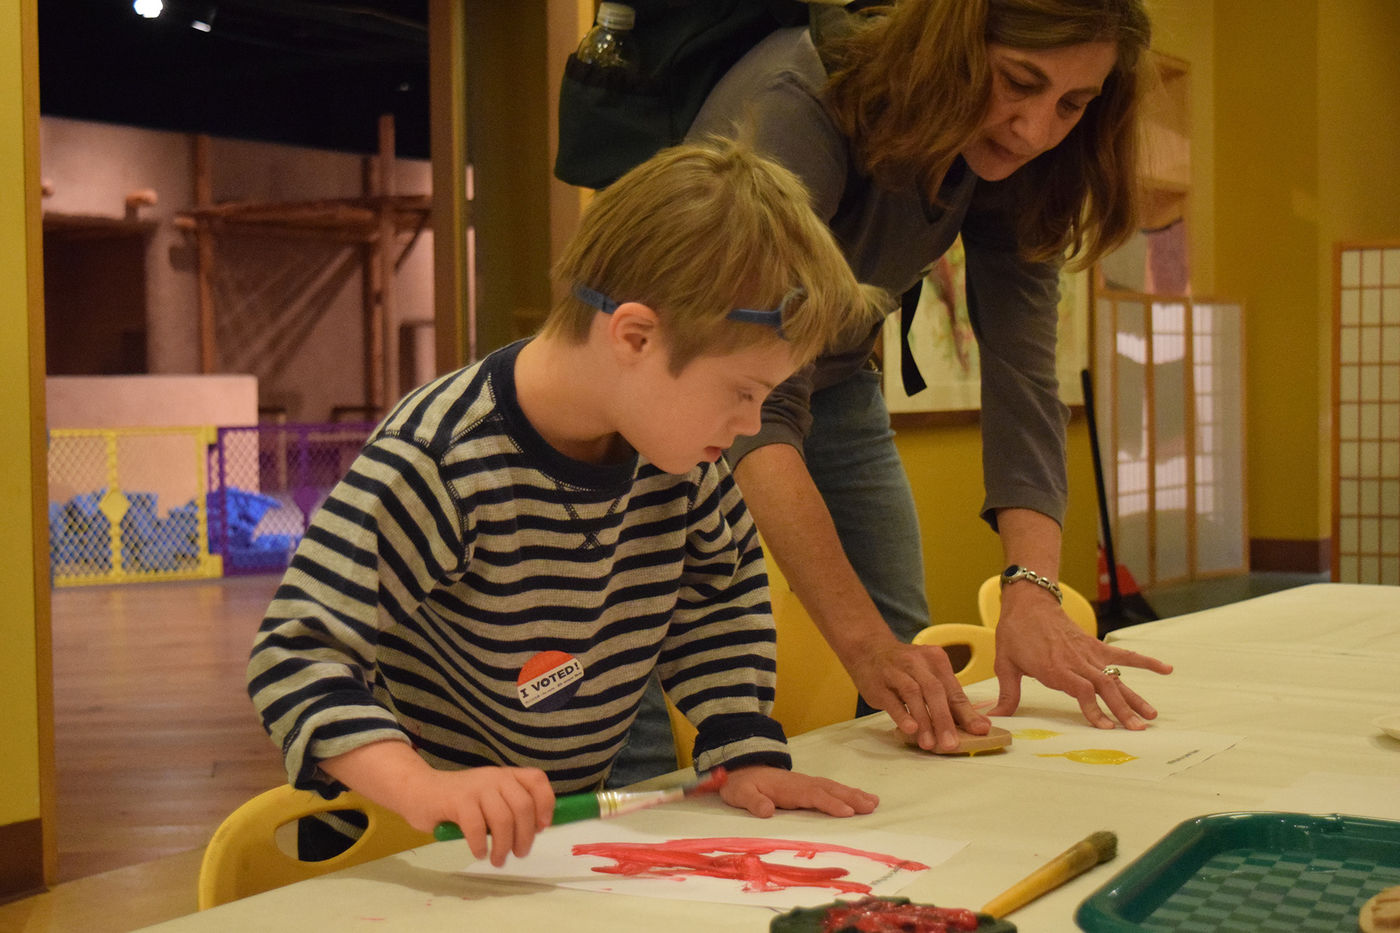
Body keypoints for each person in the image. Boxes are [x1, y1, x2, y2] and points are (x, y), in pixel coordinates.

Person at [246, 136, 884, 869]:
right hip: (396, 846)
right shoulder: (442, 460)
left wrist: (741, 748)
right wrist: (421, 786)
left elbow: (719, 592)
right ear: (636, 336)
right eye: (743, 392)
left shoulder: (682, 463)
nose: (749, 425)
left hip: (546, 845)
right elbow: (294, 651)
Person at [680, 0, 1174, 757]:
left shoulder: (1016, 150)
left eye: (1072, 103)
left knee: (908, 665)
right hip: (672, 394)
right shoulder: (797, 105)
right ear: (954, 43)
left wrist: (1032, 590)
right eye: (1018, 82)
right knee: (639, 669)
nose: (1036, 129)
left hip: (837, 377)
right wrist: (866, 648)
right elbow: (759, 402)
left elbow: (1023, 371)